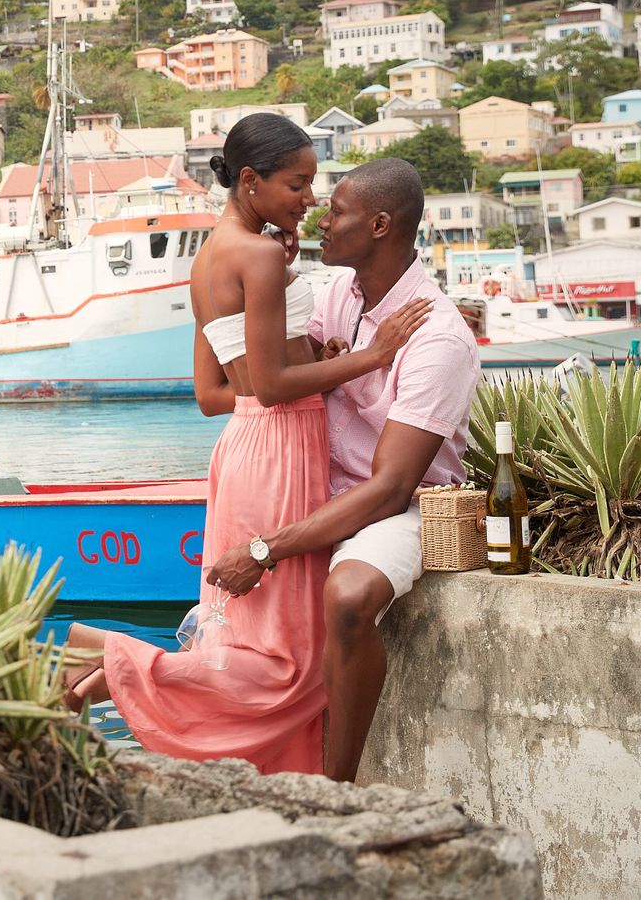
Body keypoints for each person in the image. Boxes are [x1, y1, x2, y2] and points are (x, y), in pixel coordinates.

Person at [62, 116, 431, 775]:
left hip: (245, 449)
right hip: (280, 451)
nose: (310, 199)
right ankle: (110, 658)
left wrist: (312, 354)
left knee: (258, 643)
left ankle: (113, 669)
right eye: (298, 183)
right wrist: (369, 357)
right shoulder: (260, 256)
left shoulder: (216, 251)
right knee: (287, 660)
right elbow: (272, 383)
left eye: (314, 184)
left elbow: (214, 391)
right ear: (252, 180)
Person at [203, 157, 481, 782]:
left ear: (380, 225)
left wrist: (267, 547)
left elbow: (389, 489)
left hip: (400, 508)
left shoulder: (438, 336)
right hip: (316, 490)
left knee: (350, 597)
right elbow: (261, 381)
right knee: (232, 633)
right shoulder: (338, 295)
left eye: (336, 212)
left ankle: (337, 789)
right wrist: (282, 266)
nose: (320, 219)